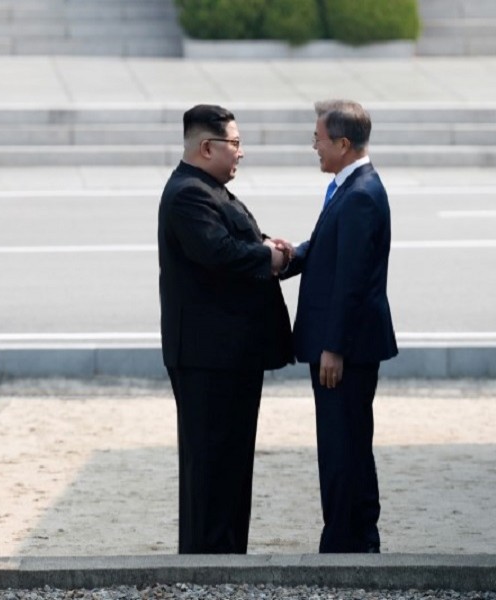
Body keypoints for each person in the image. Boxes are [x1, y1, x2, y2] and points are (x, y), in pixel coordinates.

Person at [157, 104, 294, 554]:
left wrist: (272, 250)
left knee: (231, 463)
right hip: (207, 358)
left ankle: (227, 557)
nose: (241, 153)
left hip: (227, 356)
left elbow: (235, 243)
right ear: (206, 146)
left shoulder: (209, 189)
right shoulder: (188, 194)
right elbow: (217, 253)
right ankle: (207, 562)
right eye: (234, 144)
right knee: (211, 464)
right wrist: (267, 257)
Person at [281, 99, 398, 553]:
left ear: (343, 144)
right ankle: (353, 537)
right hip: (343, 344)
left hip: (344, 350)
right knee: (344, 442)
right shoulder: (348, 187)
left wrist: (334, 347)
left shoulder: (362, 194)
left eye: (319, 139)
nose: (314, 146)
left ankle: (348, 542)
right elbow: (327, 247)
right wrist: (288, 258)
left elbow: (352, 280)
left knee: (342, 446)